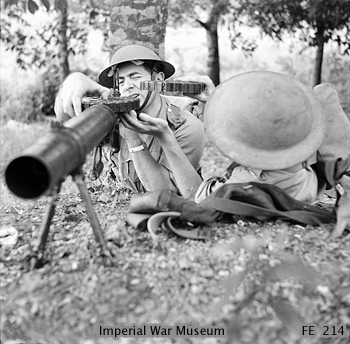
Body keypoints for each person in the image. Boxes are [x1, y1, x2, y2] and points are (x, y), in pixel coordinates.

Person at [54, 44, 208, 198]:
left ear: (158, 80)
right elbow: (66, 117)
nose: (127, 86)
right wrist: (74, 81)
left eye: (135, 77)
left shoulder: (186, 125)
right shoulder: (114, 115)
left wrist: (133, 139)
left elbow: (166, 192)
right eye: (121, 81)